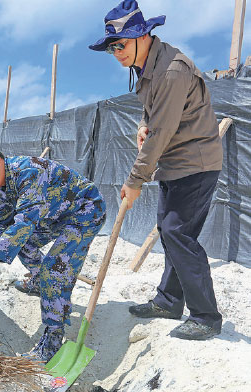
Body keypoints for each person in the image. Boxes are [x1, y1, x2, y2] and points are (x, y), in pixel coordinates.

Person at [89, 0, 223, 340]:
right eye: (111, 48)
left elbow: (162, 133)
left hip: (194, 164)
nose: (116, 52)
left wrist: (135, 181)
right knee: (169, 230)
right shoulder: (149, 66)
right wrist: (143, 122)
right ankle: (169, 301)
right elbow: (156, 116)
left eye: (120, 44)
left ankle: (206, 316)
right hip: (175, 164)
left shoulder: (171, 71)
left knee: (179, 234)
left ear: (144, 36)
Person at [0, 139, 106, 362]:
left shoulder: (28, 172)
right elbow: (2, 224)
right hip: (54, 214)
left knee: (53, 270)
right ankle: (40, 283)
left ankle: (52, 342)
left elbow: (25, 222)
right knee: (23, 244)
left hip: (83, 212)